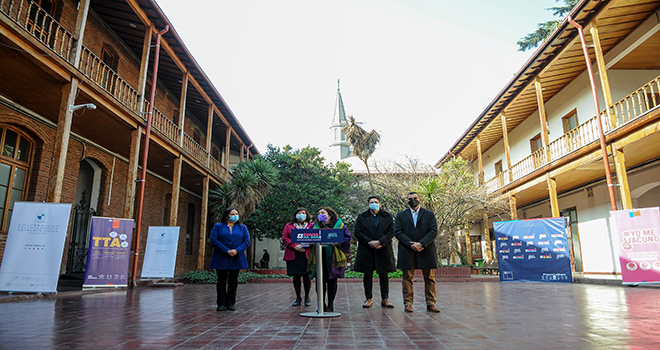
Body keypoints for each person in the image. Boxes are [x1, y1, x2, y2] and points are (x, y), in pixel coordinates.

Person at [394, 192, 441, 313]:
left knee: (430, 278)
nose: (412, 200)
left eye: (415, 198)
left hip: (426, 249)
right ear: (406, 201)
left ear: (420, 199)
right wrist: (411, 244)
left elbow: (433, 231)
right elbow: (397, 232)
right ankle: (408, 304)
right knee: (407, 278)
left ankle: (431, 303)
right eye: (410, 199)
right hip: (407, 250)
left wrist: (421, 244)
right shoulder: (400, 215)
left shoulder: (429, 214)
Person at [353, 196, 396, 308]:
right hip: (367, 248)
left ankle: (385, 299)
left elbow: (391, 232)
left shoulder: (387, 216)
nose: (374, 204)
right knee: (367, 274)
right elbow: (357, 232)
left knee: (384, 274)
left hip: (383, 248)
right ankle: (368, 299)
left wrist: (380, 242)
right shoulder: (361, 217)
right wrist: (369, 242)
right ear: (368, 205)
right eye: (371, 202)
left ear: (380, 204)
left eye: (376, 202)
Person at [209, 207, 250, 311]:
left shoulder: (242, 227)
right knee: (221, 280)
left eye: (236, 213)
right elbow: (214, 240)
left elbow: (246, 242)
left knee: (233, 281)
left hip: (236, 257)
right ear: (227, 216)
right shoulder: (218, 226)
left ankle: (231, 303)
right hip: (221, 257)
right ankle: (221, 303)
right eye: (232, 214)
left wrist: (236, 250)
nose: (235, 215)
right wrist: (226, 250)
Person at [312, 207, 351, 312]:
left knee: (332, 281)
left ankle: (330, 304)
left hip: (333, 256)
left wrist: (337, 242)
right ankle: (321, 304)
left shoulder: (340, 226)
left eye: (323, 213)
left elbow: (347, 238)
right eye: (319, 213)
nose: (320, 214)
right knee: (320, 280)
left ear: (330, 215)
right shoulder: (315, 226)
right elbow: (309, 237)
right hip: (319, 255)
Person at [282, 208, 314, 306]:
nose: (301, 215)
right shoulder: (289, 226)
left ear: (307, 215)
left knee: (306, 277)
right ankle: (298, 298)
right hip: (293, 253)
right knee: (296, 276)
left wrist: (306, 245)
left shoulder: (311, 226)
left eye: (303, 213)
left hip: (306, 254)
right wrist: (295, 246)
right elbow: (285, 238)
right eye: (299, 213)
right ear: (295, 215)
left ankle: (307, 297)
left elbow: (315, 237)